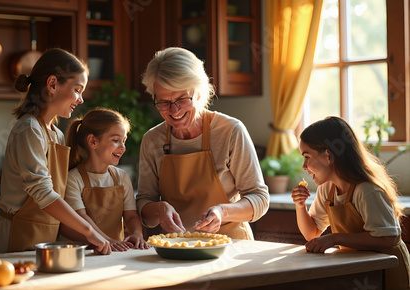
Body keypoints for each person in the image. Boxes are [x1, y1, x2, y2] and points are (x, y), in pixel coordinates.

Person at [0, 48, 111, 255]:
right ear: (52, 84)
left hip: (44, 239)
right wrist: (88, 231)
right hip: (15, 237)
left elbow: (58, 198)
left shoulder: (56, 135)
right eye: (78, 89)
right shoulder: (29, 129)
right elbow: (42, 192)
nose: (81, 99)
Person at [136, 47, 269, 239]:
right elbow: (144, 206)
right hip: (178, 249)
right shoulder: (152, 140)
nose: (174, 110)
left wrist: (222, 212)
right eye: (163, 102)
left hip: (231, 248)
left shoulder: (230, 131)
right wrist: (159, 209)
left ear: (199, 93)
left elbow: (260, 198)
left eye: (182, 99)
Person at [291, 116, 410, 289]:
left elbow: (387, 239)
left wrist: (335, 238)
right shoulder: (327, 189)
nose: (304, 166)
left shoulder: (366, 190)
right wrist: (300, 205)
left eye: (307, 157)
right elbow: (312, 233)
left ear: (328, 155)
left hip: (386, 271)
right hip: (359, 269)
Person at [60, 108, 150, 251]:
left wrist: (137, 234)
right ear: (93, 141)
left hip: (114, 251)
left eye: (124, 141)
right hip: (83, 253)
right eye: (115, 140)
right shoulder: (73, 179)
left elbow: (131, 216)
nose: (123, 148)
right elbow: (81, 217)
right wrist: (107, 240)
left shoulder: (122, 177)